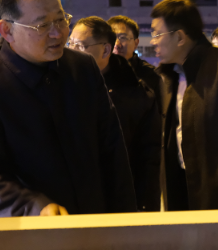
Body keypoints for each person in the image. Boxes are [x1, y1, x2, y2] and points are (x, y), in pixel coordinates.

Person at [0, 0, 136, 217]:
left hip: (95, 220)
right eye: (42, 25)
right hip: (33, 229)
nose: (58, 33)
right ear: (7, 30)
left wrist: (125, 217)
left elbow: (112, 147)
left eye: (61, 20)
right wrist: (33, 206)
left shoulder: (82, 67)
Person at [151, 0, 218, 210]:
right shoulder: (168, 76)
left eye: (157, 34)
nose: (153, 41)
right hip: (182, 192)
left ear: (180, 37)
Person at [69, 16, 161, 212]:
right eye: (70, 44)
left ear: (105, 50)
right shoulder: (61, 87)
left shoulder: (137, 94)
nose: (72, 51)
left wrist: (145, 206)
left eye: (80, 46)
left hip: (119, 200)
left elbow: (148, 157)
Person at [108, 14, 160, 102]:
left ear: (136, 43)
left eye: (123, 38)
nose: (116, 44)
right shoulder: (98, 74)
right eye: (112, 38)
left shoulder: (151, 75)